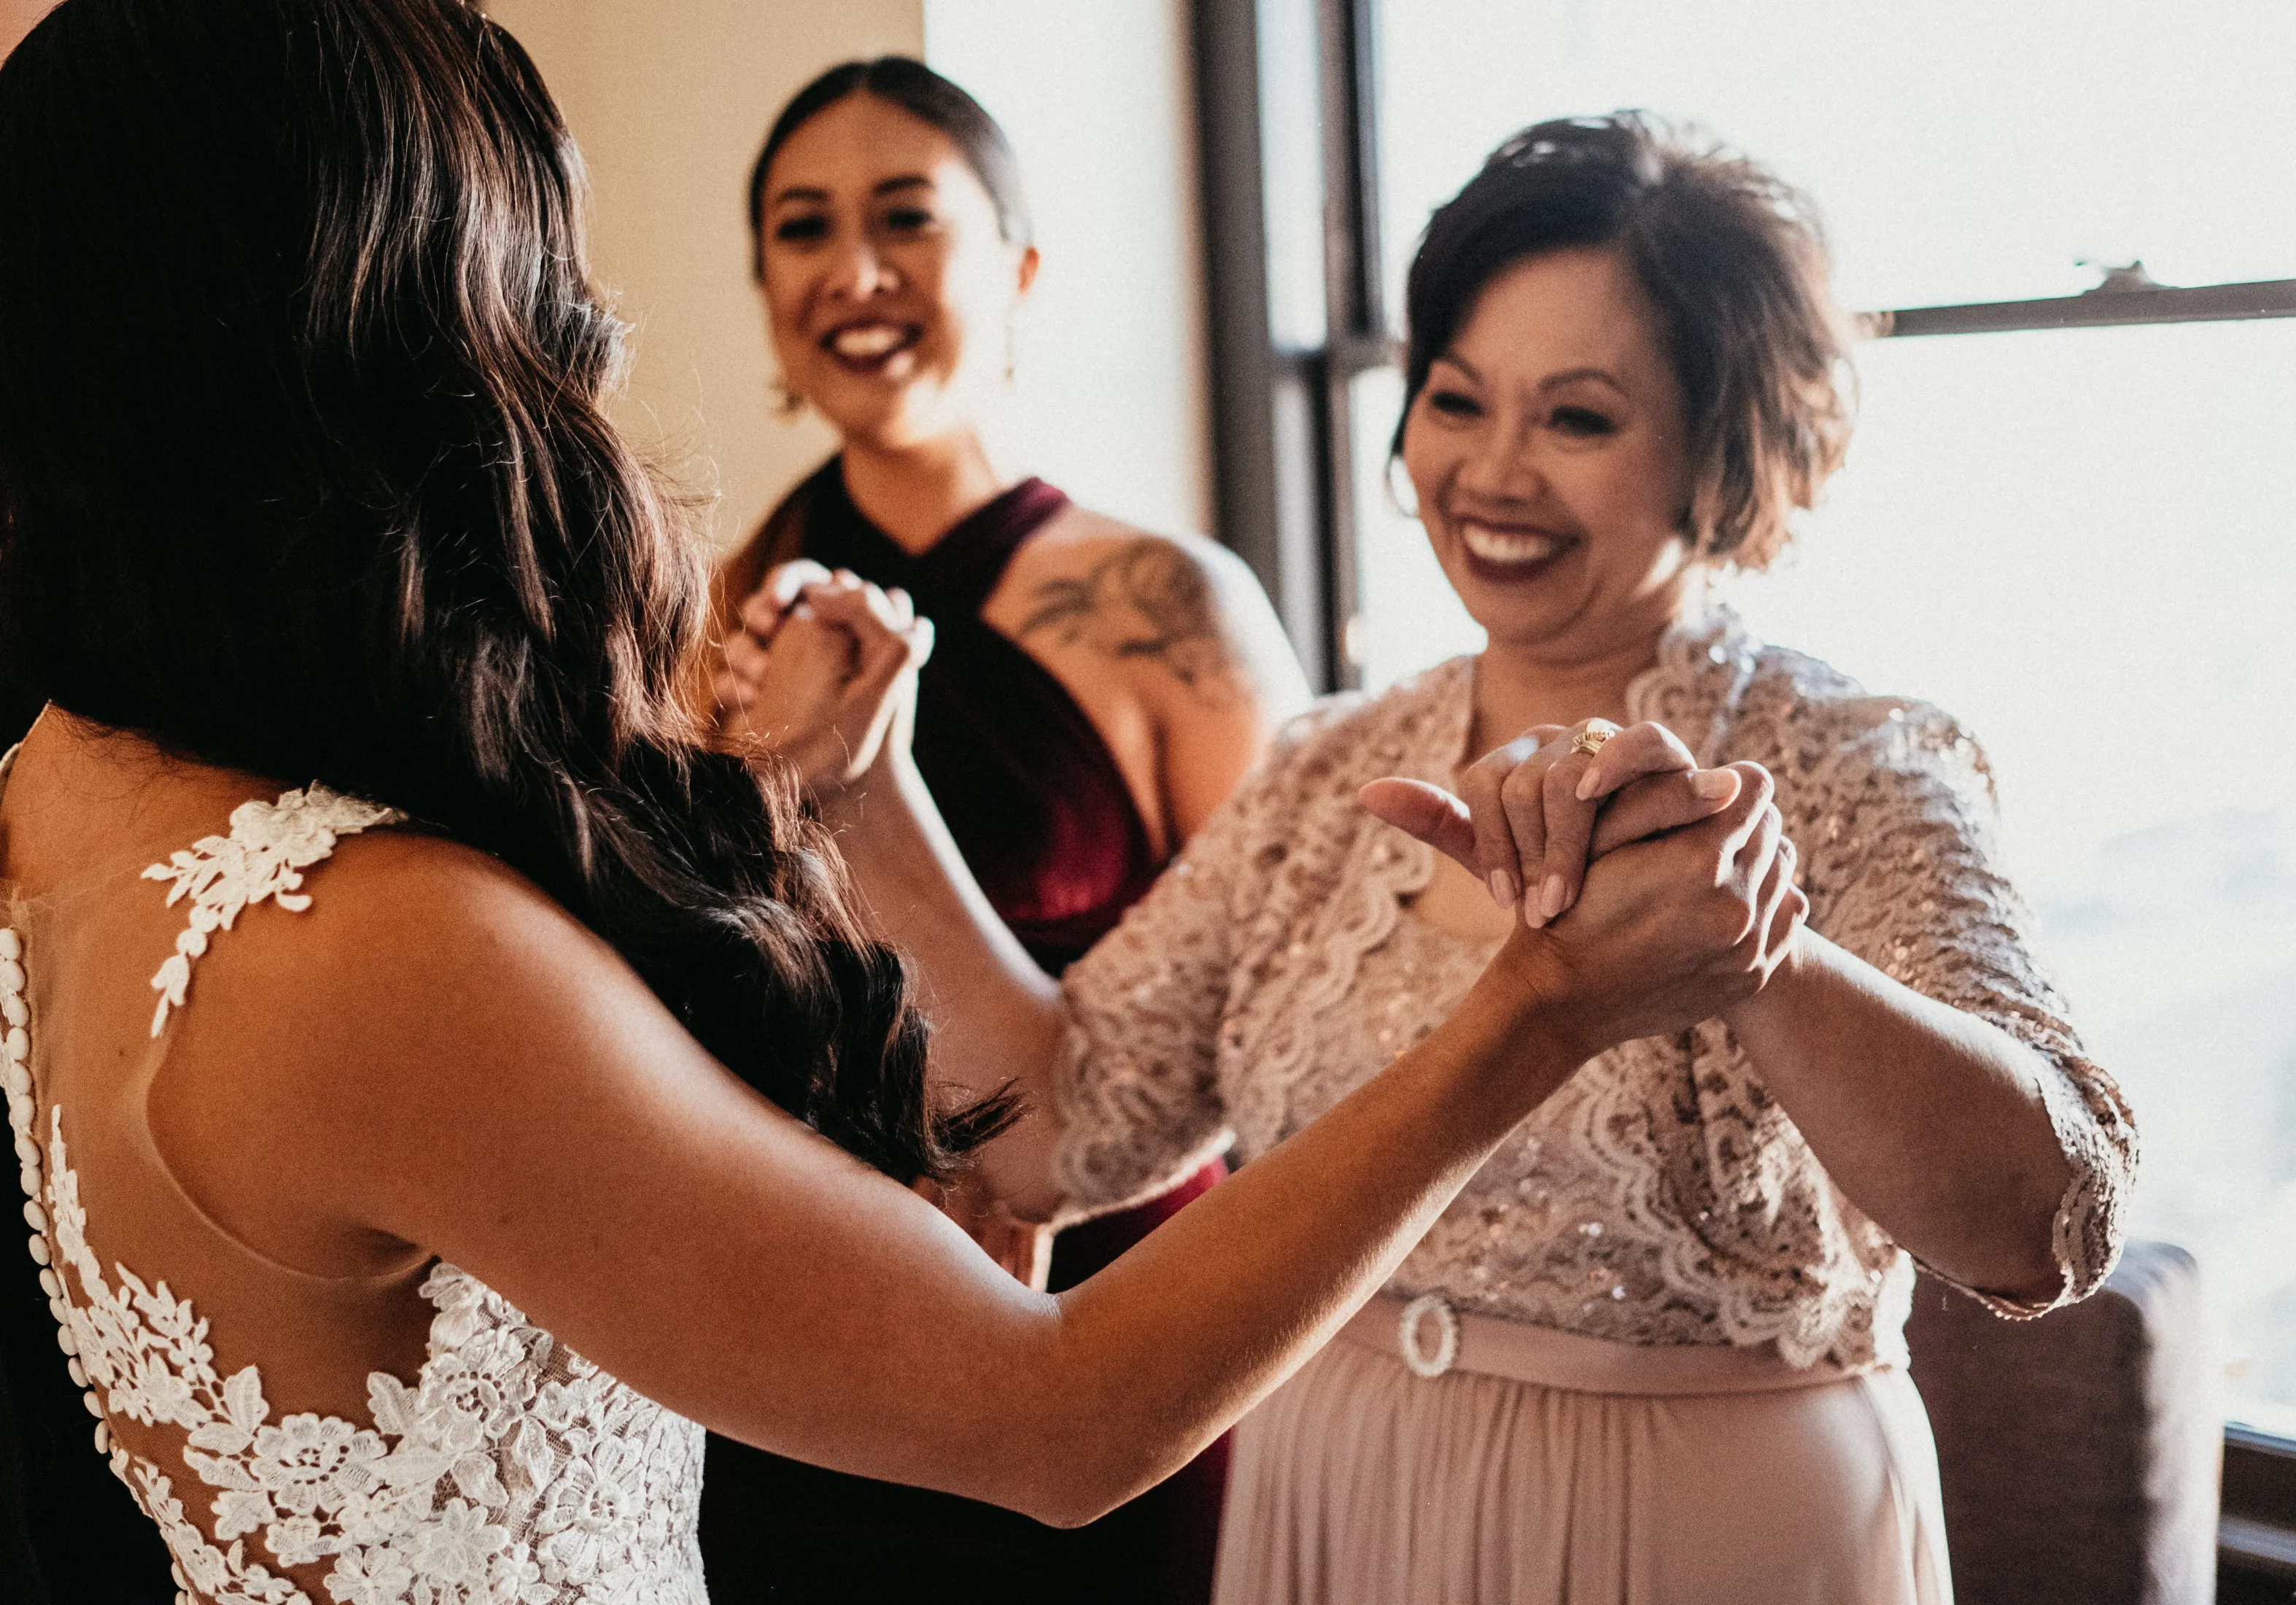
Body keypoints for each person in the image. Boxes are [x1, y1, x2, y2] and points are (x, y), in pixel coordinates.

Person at [0, 8, 1800, 1604]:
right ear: (390, 327)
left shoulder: (58, 794)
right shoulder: (374, 945)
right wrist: (1546, 1006)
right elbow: (1061, 1409)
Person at [718, 115, 2141, 1604]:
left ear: (1722, 450)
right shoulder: (1330, 771)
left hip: (1702, 1535)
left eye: (1579, 418)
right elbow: (1054, 1130)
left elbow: (2051, 1221)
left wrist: (1761, 955)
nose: (1494, 471)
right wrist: (866, 786)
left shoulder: (1853, 761)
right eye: (1458, 400)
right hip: (1331, 1513)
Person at [698, 57, 1312, 1604]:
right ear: (766, 284)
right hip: (799, 1326)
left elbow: (1293, 1010)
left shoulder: (1174, 611)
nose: (854, 272)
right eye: (802, 228)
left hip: (1106, 1324)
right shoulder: (705, 622)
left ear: (1018, 265)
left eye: (908, 218)